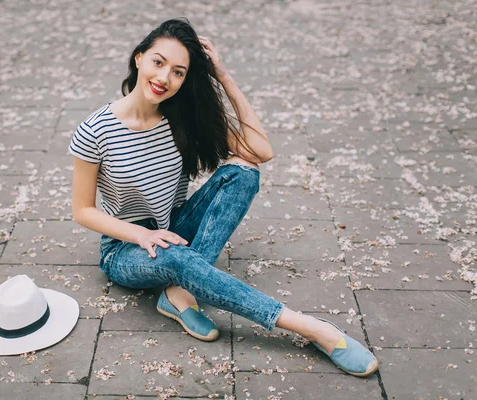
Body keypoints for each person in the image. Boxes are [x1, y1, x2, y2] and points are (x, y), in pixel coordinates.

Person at [69, 18, 378, 377]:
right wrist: (141, 235)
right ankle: (312, 328)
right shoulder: (96, 130)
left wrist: (224, 77)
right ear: (138, 58)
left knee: (243, 172)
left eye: (178, 72)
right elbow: (83, 210)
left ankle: (179, 293)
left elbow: (260, 150)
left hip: (175, 227)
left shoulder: (181, 117)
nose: (165, 77)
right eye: (158, 62)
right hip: (125, 248)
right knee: (175, 257)